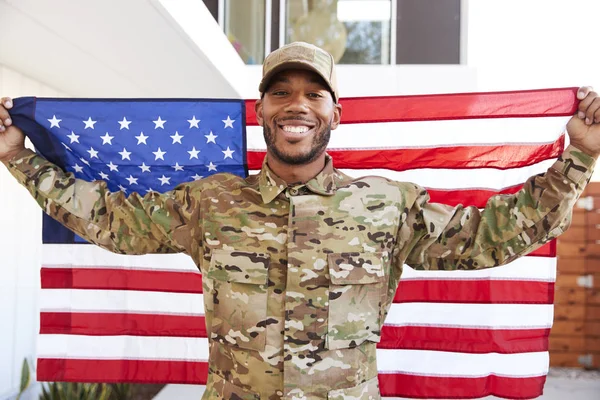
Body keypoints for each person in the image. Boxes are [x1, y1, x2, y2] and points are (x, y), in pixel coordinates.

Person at [0, 42, 599, 399]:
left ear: (334, 114)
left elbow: (489, 238)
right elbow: (111, 220)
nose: (296, 105)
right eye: (281, 92)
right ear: (261, 108)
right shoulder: (210, 203)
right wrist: (19, 160)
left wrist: (579, 158)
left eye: (313, 95)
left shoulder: (386, 205)